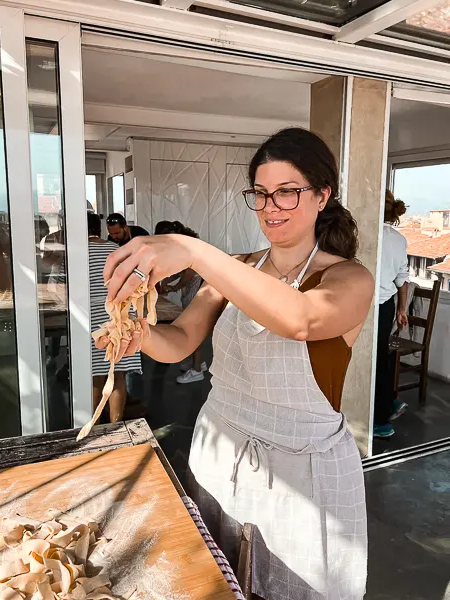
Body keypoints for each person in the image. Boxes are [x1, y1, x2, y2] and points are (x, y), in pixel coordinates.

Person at [101, 128, 374, 600]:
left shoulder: (348, 277)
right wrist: (140, 334)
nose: (271, 207)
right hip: (220, 449)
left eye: (288, 192)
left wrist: (192, 250)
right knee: (218, 581)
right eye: (262, 194)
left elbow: (300, 320)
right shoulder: (238, 265)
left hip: (300, 475)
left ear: (322, 195)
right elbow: (182, 340)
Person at [88, 212, 142, 423]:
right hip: (118, 313)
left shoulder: (75, 254)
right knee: (117, 372)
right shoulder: (116, 251)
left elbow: (60, 288)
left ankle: (94, 424)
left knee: (94, 375)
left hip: (90, 315)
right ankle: (115, 425)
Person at [374, 190, 409, 438]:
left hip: (363, 305)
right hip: (385, 307)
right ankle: (388, 405)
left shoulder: (363, 235)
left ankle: (379, 418)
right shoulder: (398, 240)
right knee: (381, 359)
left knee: (369, 363)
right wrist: (402, 310)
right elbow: (402, 280)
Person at [155, 220, 206, 383]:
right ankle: (198, 363)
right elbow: (178, 271)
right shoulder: (181, 244)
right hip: (192, 290)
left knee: (193, 330)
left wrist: (170, 288)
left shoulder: (188, 246)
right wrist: (164, 278)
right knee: (192, 328)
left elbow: (187, 276)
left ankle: (197, 371)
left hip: (198, 291)